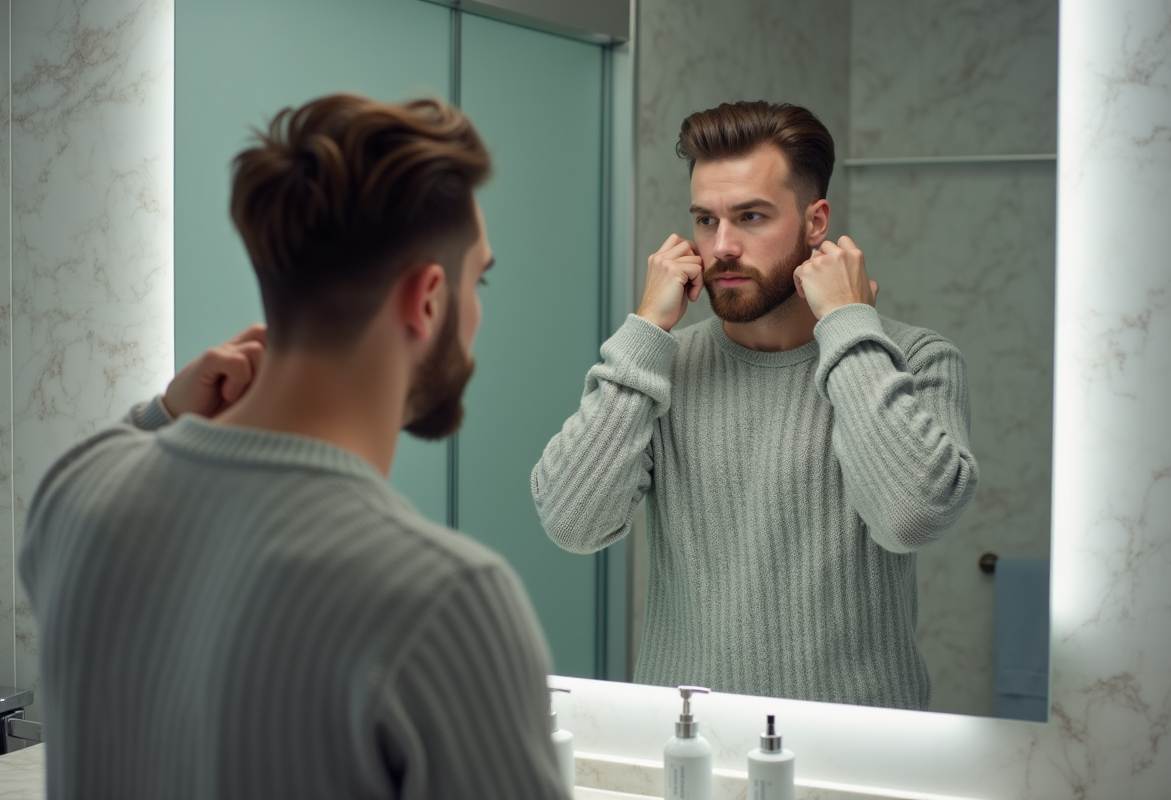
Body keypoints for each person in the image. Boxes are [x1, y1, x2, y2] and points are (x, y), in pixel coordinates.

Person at [20, 94, 569, 799]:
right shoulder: (445, 599)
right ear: (428, 299)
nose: (479, 310)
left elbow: (112, 466)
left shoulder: (75, 496)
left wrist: (164, 414)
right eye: (478, 279)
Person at [533, 100, 979, 710]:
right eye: (705, 220)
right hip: (688, 743)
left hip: (859, 750)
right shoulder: (660, 364)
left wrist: (849, 327)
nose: (722, 247)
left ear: (815, 221)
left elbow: (911, 517)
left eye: (751, 217)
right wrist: (645, 329)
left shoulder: (915, 357)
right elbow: (573, 523)